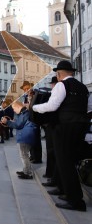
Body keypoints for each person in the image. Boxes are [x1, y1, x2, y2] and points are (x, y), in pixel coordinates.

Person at [32, 60, 89, 212]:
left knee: (65, 162)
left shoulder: (61, 85)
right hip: (81, 125)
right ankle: (64, 189)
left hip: (64, 127)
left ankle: (75, 200)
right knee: (67, 159)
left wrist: (35, 107)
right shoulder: (83, 87)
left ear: (59, 74)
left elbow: (52, 106)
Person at [1, 101, 37, 180]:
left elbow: (18, 125)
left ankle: (28, 173)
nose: (13, 110)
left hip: (25, 137)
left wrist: (7, 122)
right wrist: (12, 121)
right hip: (23, 136)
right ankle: (25, 170)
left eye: (14, 108)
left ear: (18, 107)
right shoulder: (22, 113)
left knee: (24, 155)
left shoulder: (25, 113)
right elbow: (18, 122)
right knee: (23, 155)